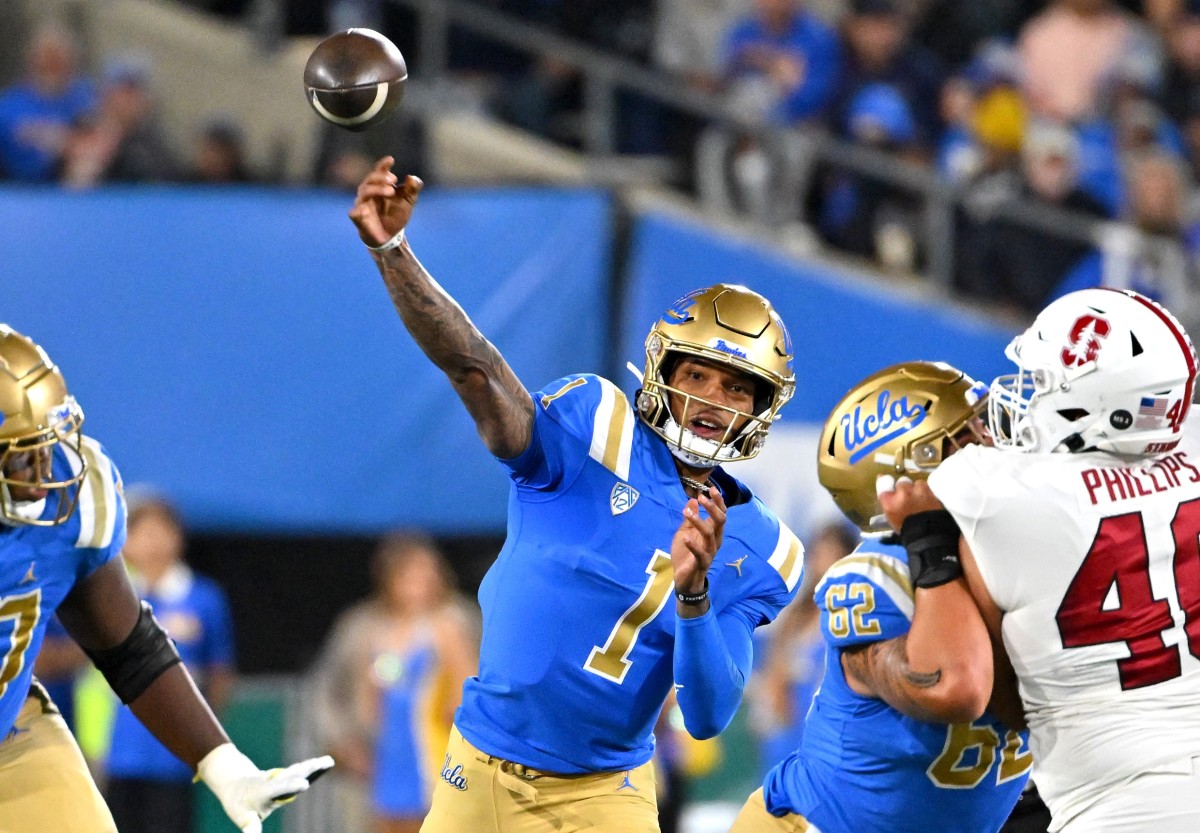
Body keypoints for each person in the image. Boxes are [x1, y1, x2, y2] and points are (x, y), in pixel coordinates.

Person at [349, 157, 803, 833]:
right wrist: (393, 253)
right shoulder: (596, 427)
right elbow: (475, 369)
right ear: (663, 371)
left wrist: (694, 593)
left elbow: (707, 714)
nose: (713, 399)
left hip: (603, 792)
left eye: (737, 387)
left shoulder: (762, 545)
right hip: (479, 764)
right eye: (699, 376)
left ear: (760, 408)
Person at [880, 288, 1200, 832]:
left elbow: (998, 698)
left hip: (1123, 806)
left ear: (1103, 406)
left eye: (1043, 383)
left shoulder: (990, 491)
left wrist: (924, 530)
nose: (1027, 399)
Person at [0, 324, 332, 833]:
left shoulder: (72, 503)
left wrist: (223, 765)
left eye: (45, 443)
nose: (46, 469)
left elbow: (127, 644)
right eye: (22, 456)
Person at [730, 360, 1032, 833]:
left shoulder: (1020, 552)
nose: (997, 442)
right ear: (916, 470)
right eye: (971, 435)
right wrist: (933, 545)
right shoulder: (876, 576)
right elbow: (957, 690)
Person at [310, 532, 477, 833]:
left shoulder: (451, 623)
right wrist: (346, 743)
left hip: (432, 752)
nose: (418, 584)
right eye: (409, 574)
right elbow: (342, 691)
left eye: (425, 573)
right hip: (385, 755)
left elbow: (467, 691)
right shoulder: (364, 627)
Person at [104, 489, 236, 833]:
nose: (152, 542)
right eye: (141, 532)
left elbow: (220, 671)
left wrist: (201, 738)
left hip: (174, 757)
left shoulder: (204, 598)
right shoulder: (114, 597)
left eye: (161, 530)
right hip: (121, 754)